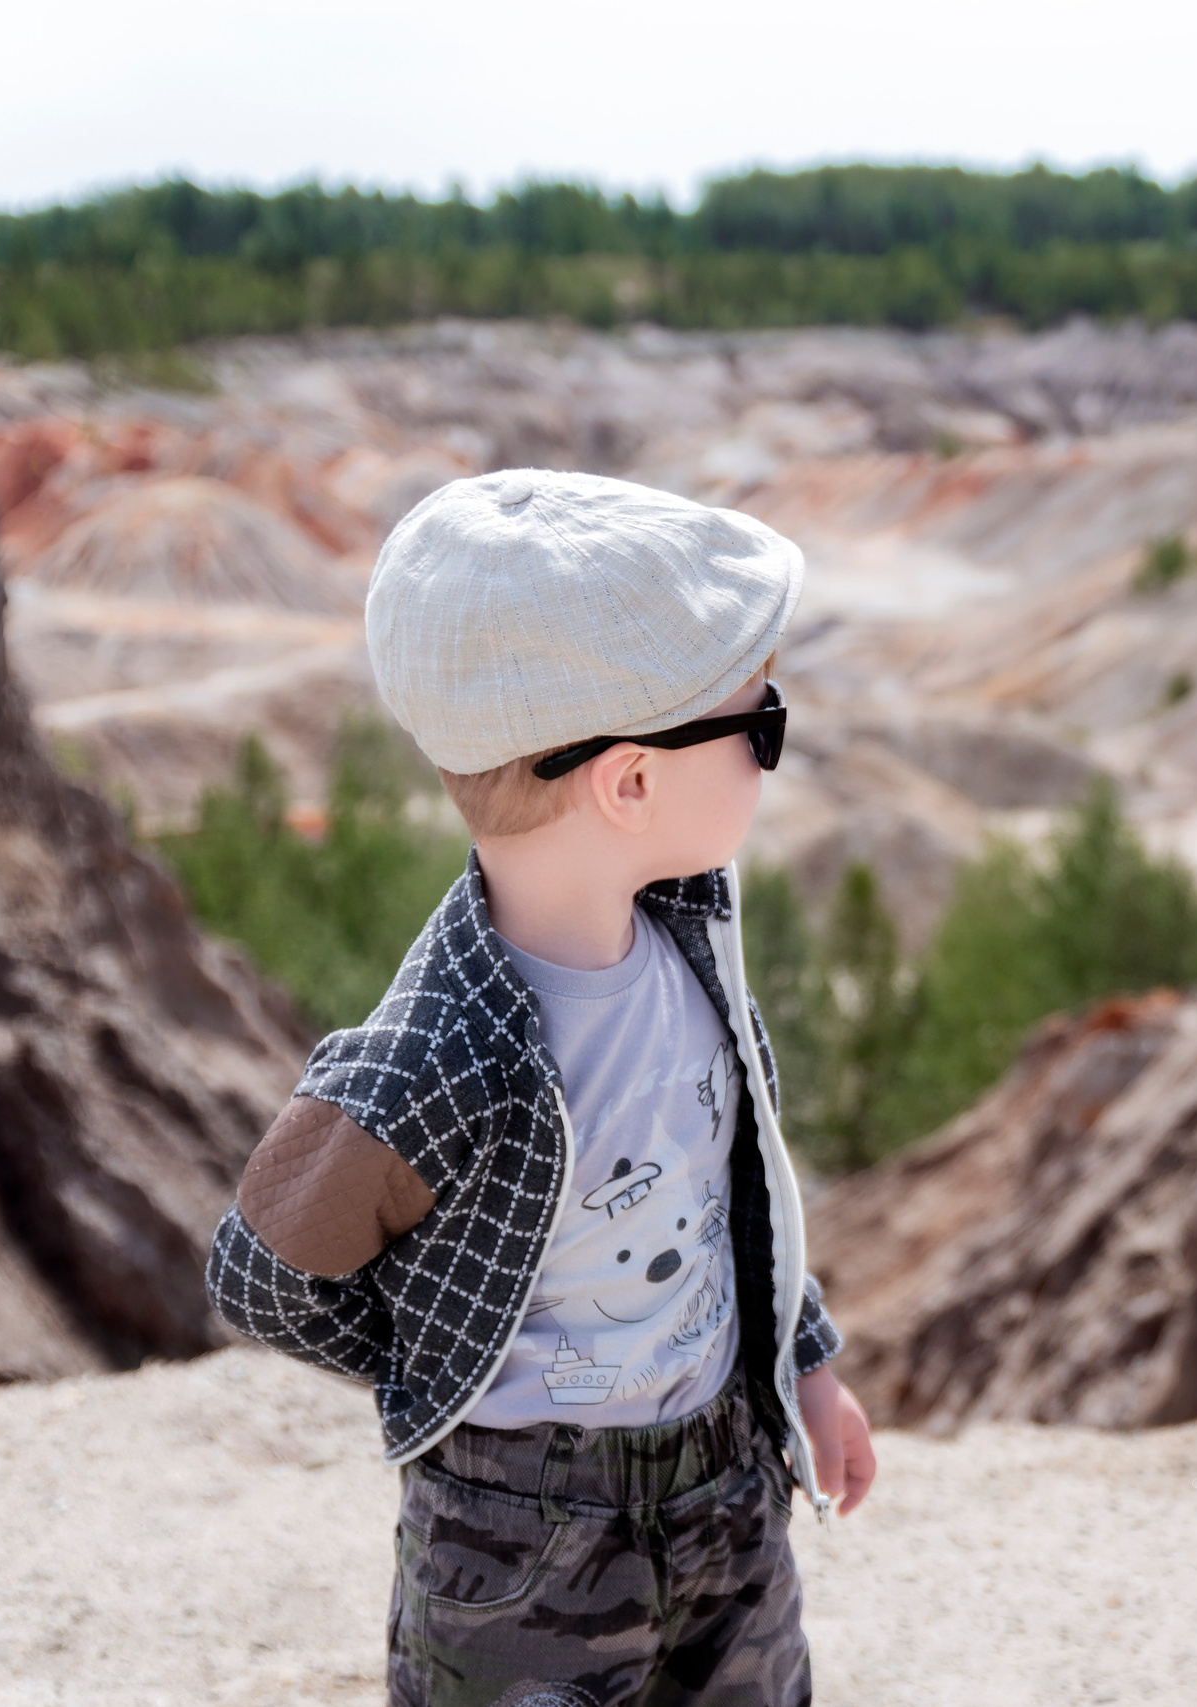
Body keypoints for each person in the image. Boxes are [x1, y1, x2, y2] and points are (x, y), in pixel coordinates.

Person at [206, 468, 874, 1707]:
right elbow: (264, 1274)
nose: (770, 755)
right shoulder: (436, 1059)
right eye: (757, 727)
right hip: (520, 1545)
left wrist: (807, 1370)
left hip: (726, 1489)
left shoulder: (686, 946)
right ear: (629, 783)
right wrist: (437, 1353)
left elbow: (734, 1192)